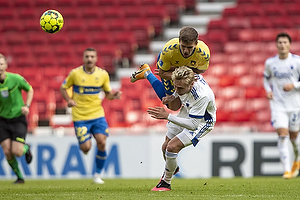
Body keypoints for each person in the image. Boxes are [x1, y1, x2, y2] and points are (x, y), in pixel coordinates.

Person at [147, 66, 216, 191]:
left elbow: (193, 124)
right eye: (175, 87)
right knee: (165, 147)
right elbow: (178, 89)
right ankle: (173, 167)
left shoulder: (201, 96)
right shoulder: (186, 82)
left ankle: (165, 183)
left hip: (202, 122)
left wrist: (167, 116)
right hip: (188, 111)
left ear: (192, 84)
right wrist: (172, 97)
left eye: (181, 88)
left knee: (172, 147)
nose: (177, 90)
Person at [60, 47, 122, 184]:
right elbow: (63, 87)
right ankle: (84, 141)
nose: (89, 59)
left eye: (92, 57)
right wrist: (69, 100)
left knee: (102, 142)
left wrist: (114, 95)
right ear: (83, 58)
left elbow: (108, 95)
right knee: (86, 148)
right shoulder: (75, 74)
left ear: (96, 59)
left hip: (97, 114)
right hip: (80, 116)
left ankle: (97, 175)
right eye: (87, 56)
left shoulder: (103, 74)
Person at [130, 26, 210, 111]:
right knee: (174, 107)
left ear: (196, 43)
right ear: (179, 41)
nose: (186, 51)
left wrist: (180, 71)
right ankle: (147, 73)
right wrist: (183, 74)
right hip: (168, 68)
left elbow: (201, 70)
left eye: (189, 47)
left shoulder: (203, 54)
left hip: (176, 69)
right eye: (183, 46)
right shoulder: (169, 51)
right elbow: (162, 73)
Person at [263, 32, 300, 179]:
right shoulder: (271, 63)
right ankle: (286, 170)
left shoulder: (297, 61)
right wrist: (268, 91)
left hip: (295, 105)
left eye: (285, 42)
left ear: (289, 44)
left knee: (294, 138)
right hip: (278, 105)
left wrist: (294, 86)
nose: (282, 45)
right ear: (276, 45)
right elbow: (266, 79)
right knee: (282, 136)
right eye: (280, 42)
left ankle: (296, 161)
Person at [0, 53, 33, 184]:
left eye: (1, 64)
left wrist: (27, 105)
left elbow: (30, 89)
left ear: (6, 65)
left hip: (18, 119)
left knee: (17, 152)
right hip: (2, 120)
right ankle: (20, 177)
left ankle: (26, 148)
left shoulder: (16, 79)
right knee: (7, 150)